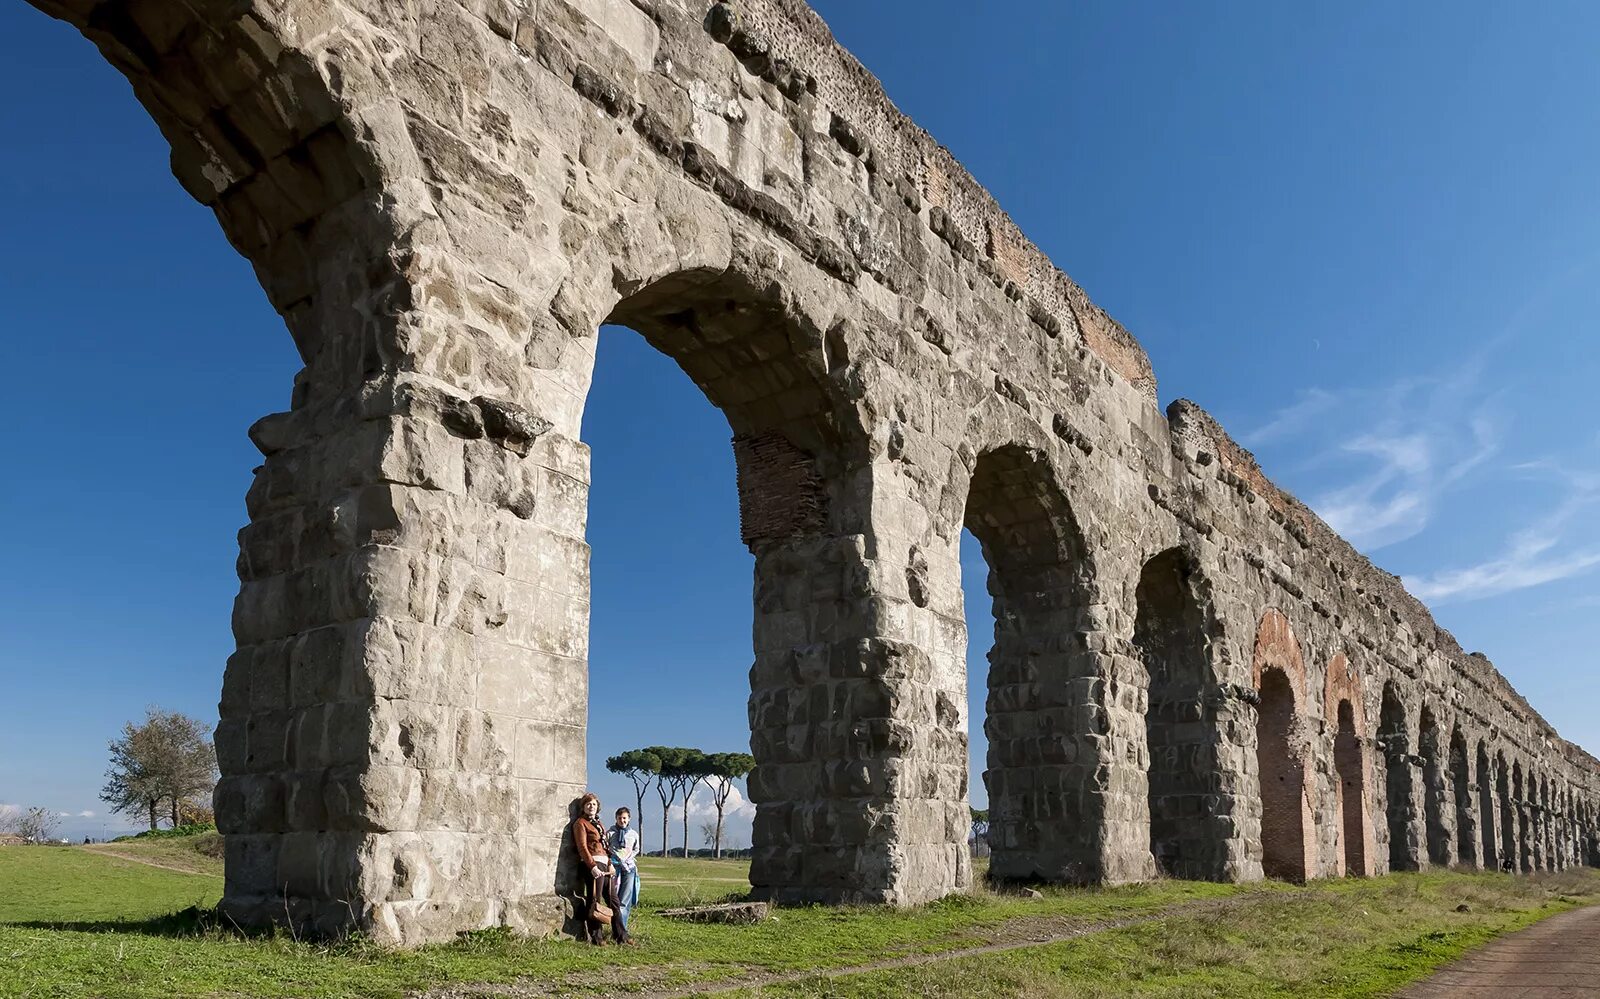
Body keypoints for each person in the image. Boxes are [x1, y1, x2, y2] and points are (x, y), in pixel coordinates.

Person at [570, 792, 631, 945]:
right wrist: (592, 866)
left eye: (594, 804)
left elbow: (605, 847)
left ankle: (621, 936)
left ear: (598, 808)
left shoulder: (599, 824)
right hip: (593, 865)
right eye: (588, 804)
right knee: (594, 900)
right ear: (583, 806)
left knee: (614, 901)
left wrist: (610, 864)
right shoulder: (580, 823)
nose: (591, 807)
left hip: (605, 864)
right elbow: (582, 847)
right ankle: (597, 938)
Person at [608, 807, 641, 933]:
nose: (622, 820)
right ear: (616, 818)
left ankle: (622, 930)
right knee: (614, 898)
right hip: (614, 868)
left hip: (629, 868)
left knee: (625, 900)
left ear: (629, 819)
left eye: (624, 818)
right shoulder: (610, 833)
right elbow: (606, 847)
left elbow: (636, 849)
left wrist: (627, 859)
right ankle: (614, 927)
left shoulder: (633, 834)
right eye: (620, 818)